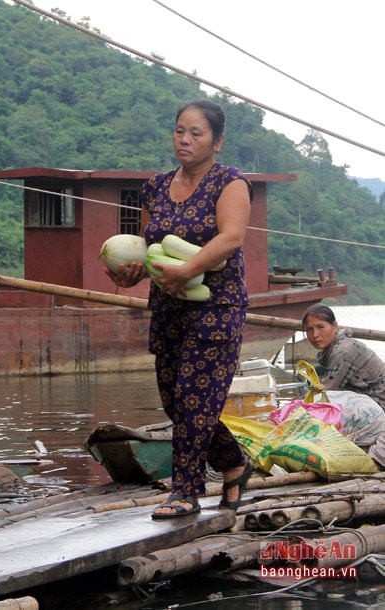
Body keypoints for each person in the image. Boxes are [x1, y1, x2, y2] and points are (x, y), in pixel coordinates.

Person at [105, 99, 254, 519]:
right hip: (169, 306)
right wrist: (130, 274)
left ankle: (185, 492)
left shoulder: (231, 182)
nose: (185, 140)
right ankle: (234, 462)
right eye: (179, 131)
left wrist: (187, 268)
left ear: (218, 141)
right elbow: (146, 247)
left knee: (194, 400)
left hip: (217, 307)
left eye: (197, 133)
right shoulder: (154, 187)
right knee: (175, 402)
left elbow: (231, 239)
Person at [301, 304, 385, 409]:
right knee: (316, 373)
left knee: (318, 392)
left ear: (334, 326)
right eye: (309, 329)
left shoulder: (344, 350)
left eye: (320, 327)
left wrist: (297, 407)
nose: (315, 334)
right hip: (364, 393)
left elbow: (327, 390)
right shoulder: (331, 349)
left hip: (379, 403)